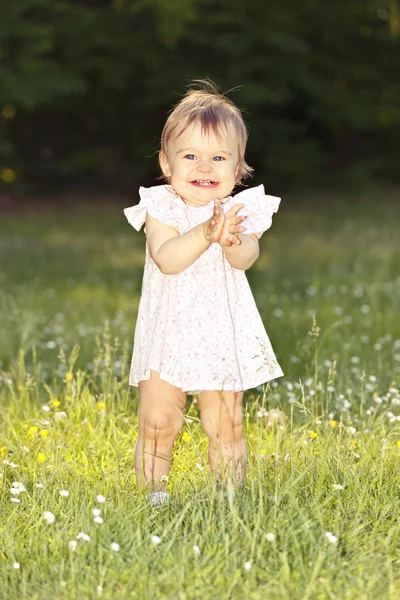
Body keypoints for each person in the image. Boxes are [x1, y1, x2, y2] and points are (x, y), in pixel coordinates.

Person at [123, 79, 284, 506]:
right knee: (159, 420)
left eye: (218, 158)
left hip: (219, 335)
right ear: (166, 162)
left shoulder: (238, 211)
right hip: (167, 335)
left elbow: (247, 257)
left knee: (226, 423)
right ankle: (153, 498)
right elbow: (169, 258)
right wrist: (204, 232)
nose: (203, 167)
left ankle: (229, 496)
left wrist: (232, 239)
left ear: (238, 169)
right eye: (190, 156)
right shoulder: (161, 207)